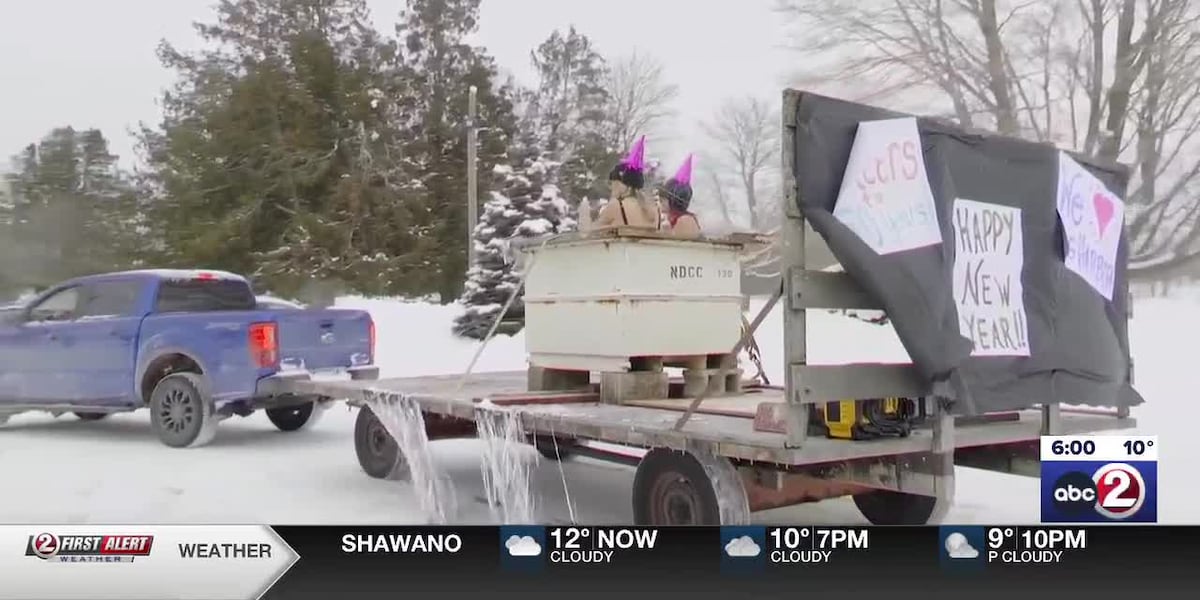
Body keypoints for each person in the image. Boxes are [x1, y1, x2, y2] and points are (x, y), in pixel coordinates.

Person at [593, 135, 660, 230]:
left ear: (624, 186)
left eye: (614, 183)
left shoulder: (616, 206)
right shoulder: (651, 210)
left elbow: (589, 233)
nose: (612, 188)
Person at [658, 154, 701, 238]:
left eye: (663, 199)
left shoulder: (684, 221)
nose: (661, 203)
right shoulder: (678, 219)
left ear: (671, 200)